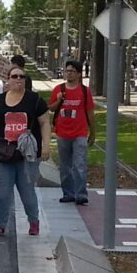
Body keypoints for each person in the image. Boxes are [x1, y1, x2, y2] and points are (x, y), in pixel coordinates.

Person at [0, 64, 51, 237]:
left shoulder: (35, 100)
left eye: (21, 77)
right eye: (15, 76)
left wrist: (46, 147)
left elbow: (45, 123)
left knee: (26, 189)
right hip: (3, 152)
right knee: (3, 190)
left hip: (28, 154)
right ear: (7, 80)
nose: (18, 79)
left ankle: (33, 221)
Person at [49, 59, 95, 205]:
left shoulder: (84, 91)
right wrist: (58, 100)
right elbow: (51, 108)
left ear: (79, 74)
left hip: (79, 133)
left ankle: (81, 194)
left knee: (79, 164)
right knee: (65, 166)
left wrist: (92, 133)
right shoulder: (58, 89)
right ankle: (68, 193)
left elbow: (90, 113)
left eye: (72, 71)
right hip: (62, 133)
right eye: (67, 71)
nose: (69, 74)